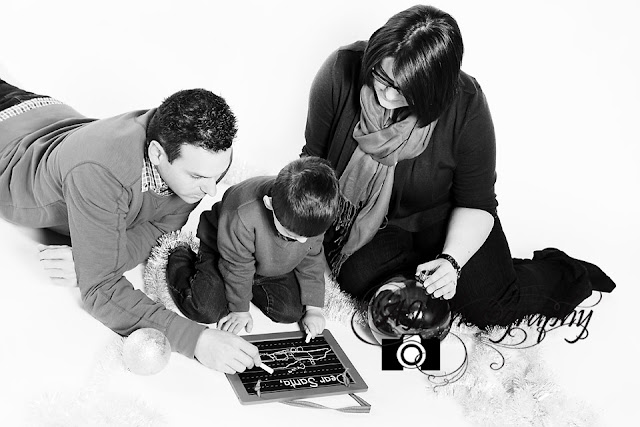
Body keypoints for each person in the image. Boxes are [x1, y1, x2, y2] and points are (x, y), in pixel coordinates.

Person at [301, 5, 616, 328]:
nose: (387, 94)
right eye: (381, 77)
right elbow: (312, 163)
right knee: (361, 281)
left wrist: (452, 262)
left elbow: (478, 203)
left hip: (444, 218)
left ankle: (561, 271)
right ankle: (425, 273)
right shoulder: (341, 70)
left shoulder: (466, 103)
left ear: (434, 90)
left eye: (405, 89)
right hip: (372, 222)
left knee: (492, 307)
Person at [0, 78, 262, 373]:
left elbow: (159, 229)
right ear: (157, 154)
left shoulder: (190, 153)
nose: (211, 191)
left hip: (47, 113)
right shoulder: (101, 172)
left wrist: (93, 259)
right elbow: (100, 289)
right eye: (198, 177)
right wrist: (198, 340)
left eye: (218, 174)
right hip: (9, 144)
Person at [166, 156, 340, 340]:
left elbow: (312, 259)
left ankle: (248, 285)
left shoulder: (313, 218)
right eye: (293, 235)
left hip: (266, 260)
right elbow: (236, 266)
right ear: (269, 204)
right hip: (224, 252)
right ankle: (179, 255)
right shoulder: (243, 214)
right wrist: (240, 309)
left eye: (308, 236)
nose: (303, 241)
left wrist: (314, 309)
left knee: (290, 312)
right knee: (206, 310)